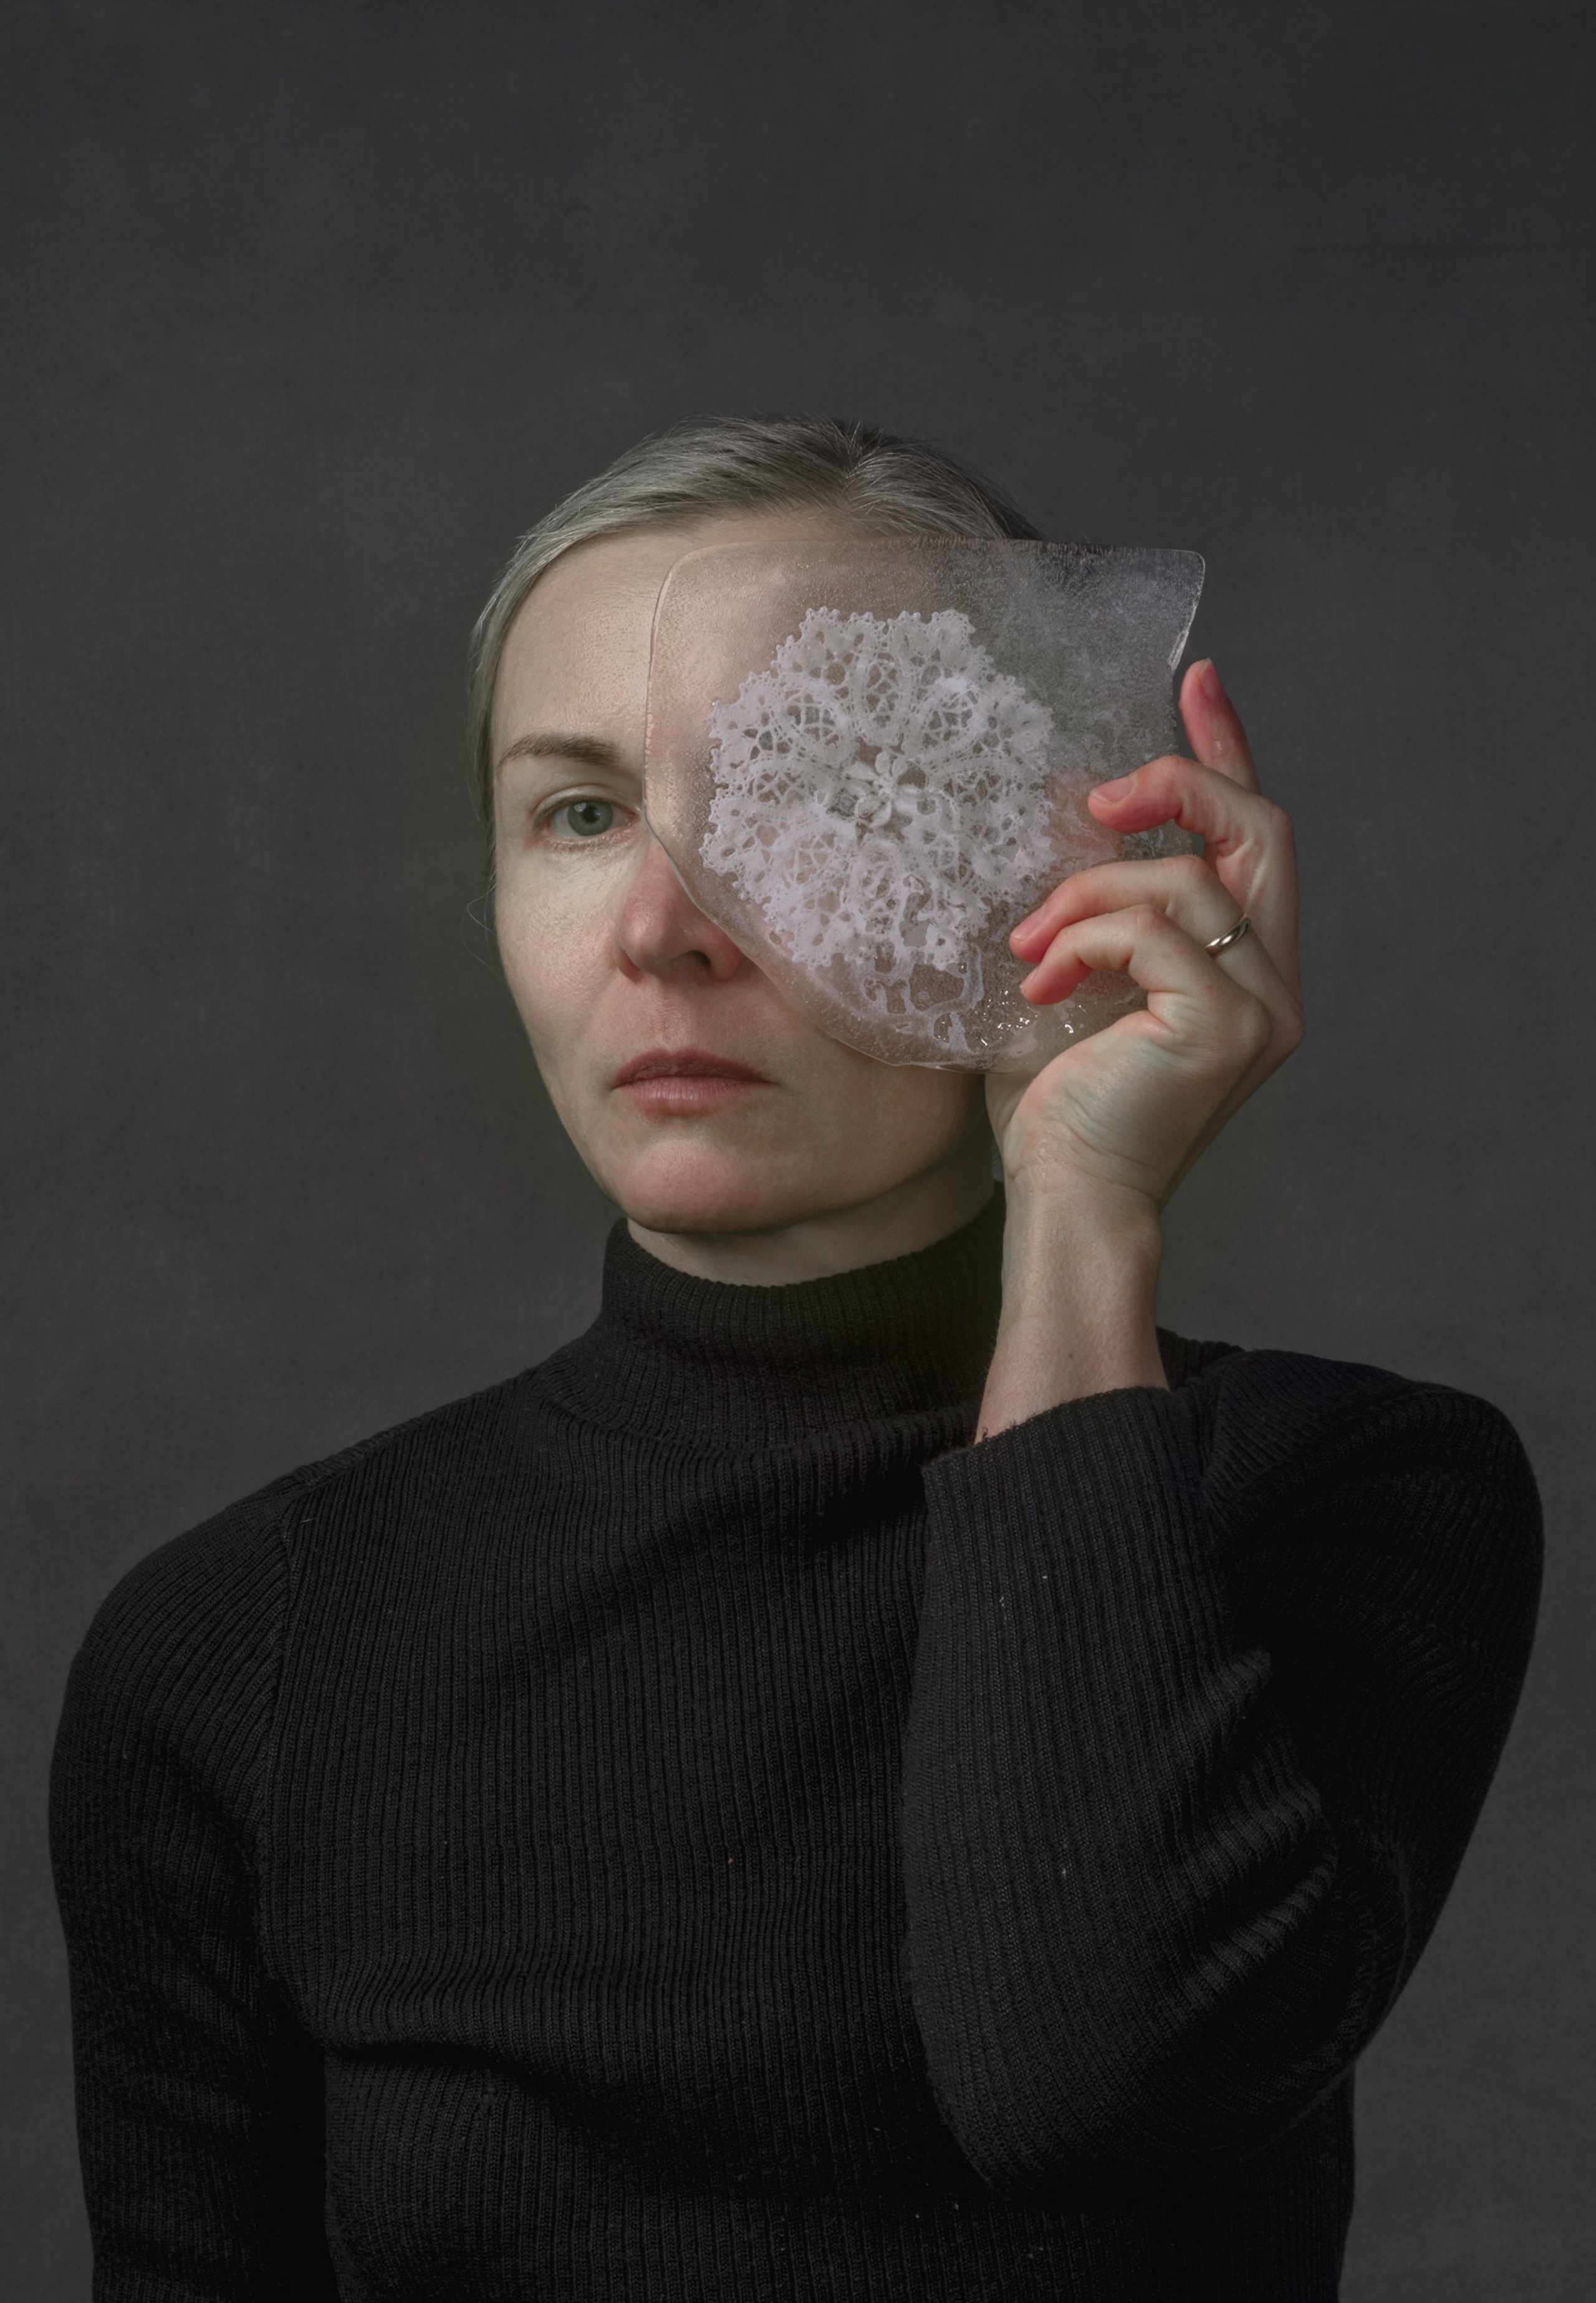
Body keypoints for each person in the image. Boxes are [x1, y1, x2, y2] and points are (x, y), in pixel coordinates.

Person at [50, 416, 1542, 2302]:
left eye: (810, 789)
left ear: (1055, 855)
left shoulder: (1341, 1497)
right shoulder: (243, 1646)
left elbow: (1101, 2087)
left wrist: (1080, 1205)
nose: (664, 930)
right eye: (579, 813)